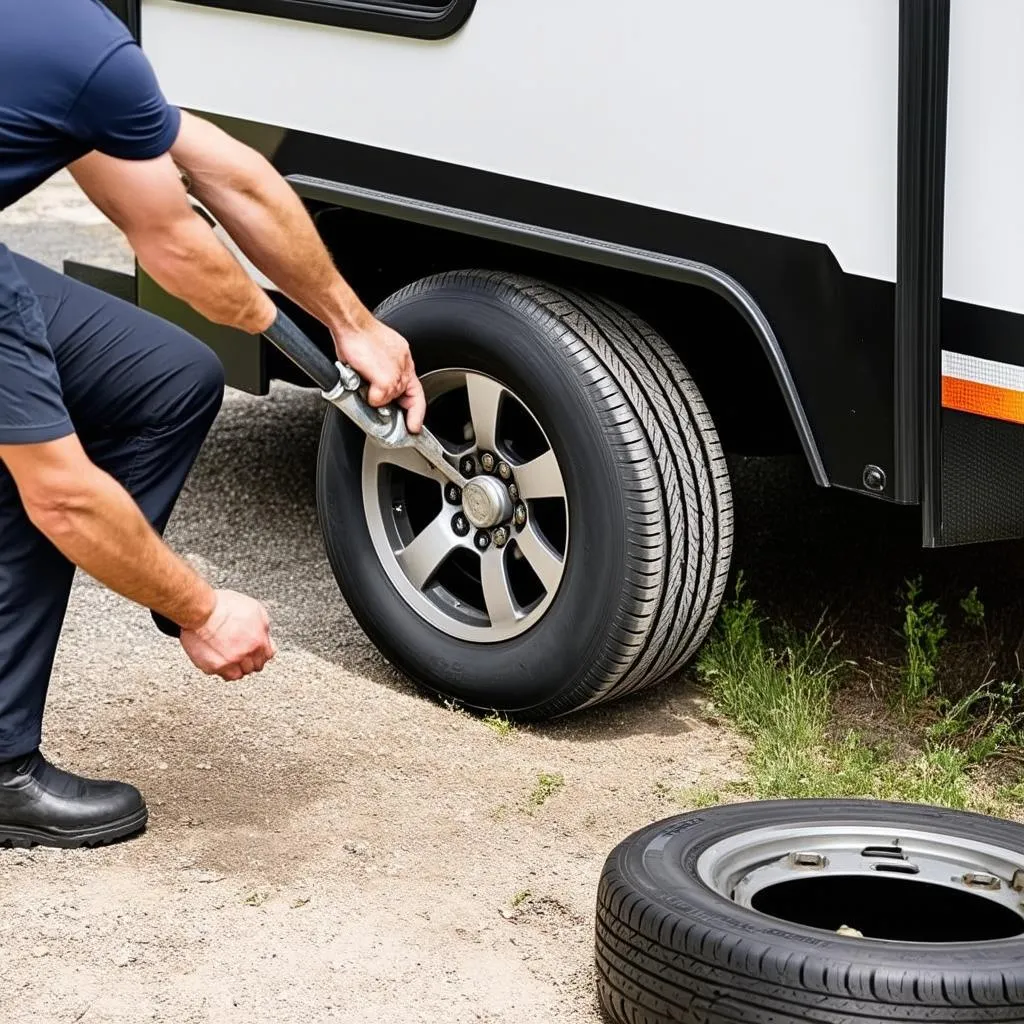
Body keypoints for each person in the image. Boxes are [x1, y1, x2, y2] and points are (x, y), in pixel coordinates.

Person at [0, 0, 427, 849]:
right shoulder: (68, 33)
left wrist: (353, 324)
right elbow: (175, 248)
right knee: (55, 489)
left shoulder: (65, 37)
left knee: (166, 378)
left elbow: (223, 172)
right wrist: (200, 608)